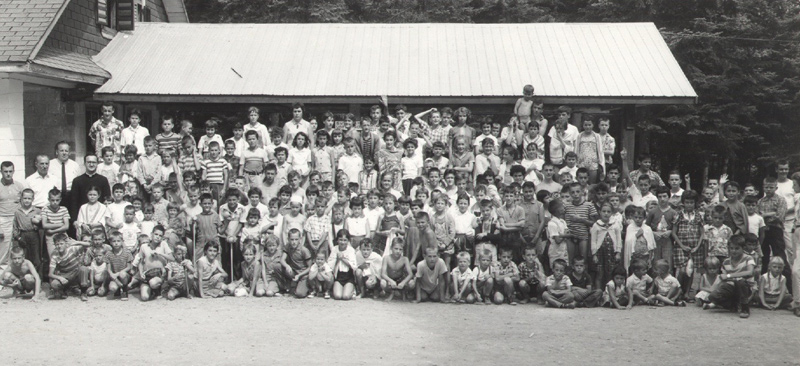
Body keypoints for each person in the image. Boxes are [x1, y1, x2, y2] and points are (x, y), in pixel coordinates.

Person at [707, 235, 755, 318]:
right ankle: (733, 304)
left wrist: (730, 275)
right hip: (732, 288)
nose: (734, 251)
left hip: (746, 288)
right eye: (731, 248)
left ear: (743, 248)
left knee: (741, 282)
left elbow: (750, 272)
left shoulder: (748, 258)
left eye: (737, 248)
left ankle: (745, 307)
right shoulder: (726, 262)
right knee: (713, 296)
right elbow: (724, 278)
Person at [1, 161, 30, 269]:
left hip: (18, 219)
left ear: (13, 171)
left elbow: (25, 202)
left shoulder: (19, 186)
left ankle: (18, 272)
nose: (8, 174)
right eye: (5, 171)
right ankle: (3, 274)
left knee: (18, 246)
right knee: (4, 247)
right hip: (3, 219)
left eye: (10, 171)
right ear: (1, 172)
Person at [69, 155, 111, 227]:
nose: (91, 164)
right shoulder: (77, 181)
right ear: (84, 163)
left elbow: (107, 200)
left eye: (94, 162)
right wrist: (74, 220)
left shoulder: (103, 180)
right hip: (83, 218)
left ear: (97, 163)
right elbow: (73, 202)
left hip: (99, 218)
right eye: (89, 162)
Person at [48, 233, 91, 300]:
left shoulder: (72, 249)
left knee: (83, 269)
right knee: (54, 284)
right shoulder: (54, 255)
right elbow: (50, 274)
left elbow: (89, 244)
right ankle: (64, 290)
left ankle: (83, 292)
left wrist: (76, 242)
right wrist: (60, 278)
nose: (59, 246)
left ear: (66, 244)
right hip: (65, 275)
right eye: (57, 244)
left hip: (76, 272)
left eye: (61, 244)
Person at [574, 116, 605, 183]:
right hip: (582, 163)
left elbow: (600, 151)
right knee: (581, 182)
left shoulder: (596, 136)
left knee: (592, 183)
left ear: (593, 125)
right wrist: (576, 163)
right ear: (583, 125)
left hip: (593, 163)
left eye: (589, 125)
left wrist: (601, 164)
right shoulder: (579, 136)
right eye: (586, 125)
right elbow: (576, 150)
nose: (587, 127)